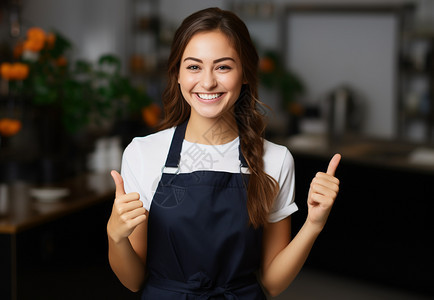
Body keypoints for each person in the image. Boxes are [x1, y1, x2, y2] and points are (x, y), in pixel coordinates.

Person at [107, 7, 341, 299]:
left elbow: (271, 283)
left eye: (223, 67)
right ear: (177, 74)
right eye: (193, 67)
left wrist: (313, 224)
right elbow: (133, 280)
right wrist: (115, 238)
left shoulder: (276, 159)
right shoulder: (143, 153)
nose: (207, 83)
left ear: (244, 74)